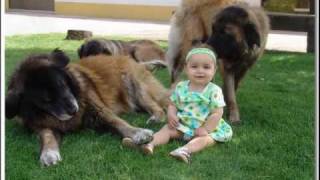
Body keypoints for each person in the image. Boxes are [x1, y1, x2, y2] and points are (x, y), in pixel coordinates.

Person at [122, 47, 233, 163]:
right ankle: (149, 144)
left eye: (206, 67)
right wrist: (171, 115)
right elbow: (172, 104)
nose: (200, 71)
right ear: (186, 68)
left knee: (206, 139)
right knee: (167, 129)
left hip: (204, 127)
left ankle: (184, 150)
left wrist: (206, 128)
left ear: (214, 70)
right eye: (194, 67)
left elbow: (217, 112)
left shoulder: (214, 90)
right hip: (184, 125)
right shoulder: (181, 87)